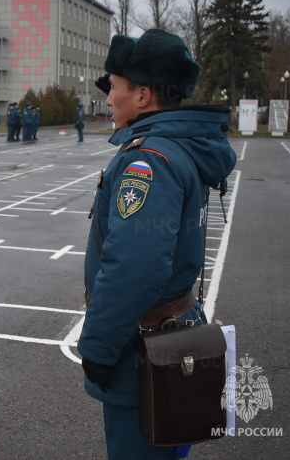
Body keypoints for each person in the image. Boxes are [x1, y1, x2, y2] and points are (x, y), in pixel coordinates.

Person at [77, 28, 237, 459]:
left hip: (144, 351)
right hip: (173, 337)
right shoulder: (178, 148)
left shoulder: (148, 160)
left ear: (144, 96)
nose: (108, 99)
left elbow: (136, 265)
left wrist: (98, 347)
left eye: (114, 87)